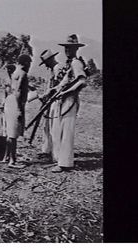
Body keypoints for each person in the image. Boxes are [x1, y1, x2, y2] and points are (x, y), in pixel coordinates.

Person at [50, 34, 87, 173]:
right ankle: (60, 160)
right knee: (59, 129)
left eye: (70, 48)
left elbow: (82, 82)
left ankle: (65, 163)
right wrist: (54, 89)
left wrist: (67, 92)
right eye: (66, 47)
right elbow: (64, 82)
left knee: (66, 131)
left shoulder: (76, 63)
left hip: (70, 100)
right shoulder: (69, 63)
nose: (67, 50)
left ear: (76, 49)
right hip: (64, 99)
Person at [2, 54, 32, 168]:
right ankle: (12, 161)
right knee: (13, 133)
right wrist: (20, 108)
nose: (29, 66)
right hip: (15, 102)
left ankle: (7, 157)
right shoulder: (23, 73)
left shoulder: (13, 73)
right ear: (25, 63)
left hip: (9, 101)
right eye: (29, 64)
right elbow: (18, 91)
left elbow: (11, 88)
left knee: (9, 131)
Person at [38, 49, 61, 158]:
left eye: (46, 61)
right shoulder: (51, 69)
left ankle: (54, 153)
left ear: (51, 59)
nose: (46, 64)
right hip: (48, 100)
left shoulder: (57, 69)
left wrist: (48, 94)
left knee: (53, 126)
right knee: (46, 126)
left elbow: (57, 87)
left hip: (54, 100)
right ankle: (46, 150)